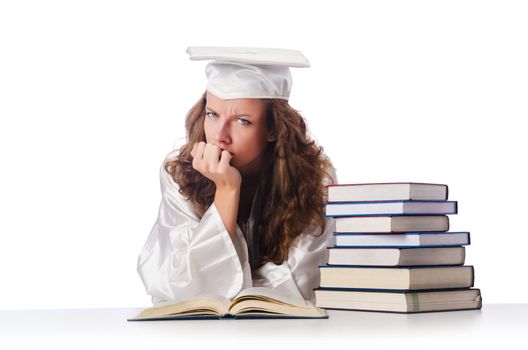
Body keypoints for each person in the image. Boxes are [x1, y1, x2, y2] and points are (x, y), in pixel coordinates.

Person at [137, 47, 337, 306]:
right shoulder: (180, 174)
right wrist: (227, 190)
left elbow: (302, 280)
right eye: (212, 114)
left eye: (242, 121)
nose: (220, 135)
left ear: (273, 130)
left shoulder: (314, 177)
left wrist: (236, 289)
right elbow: (185, 287)